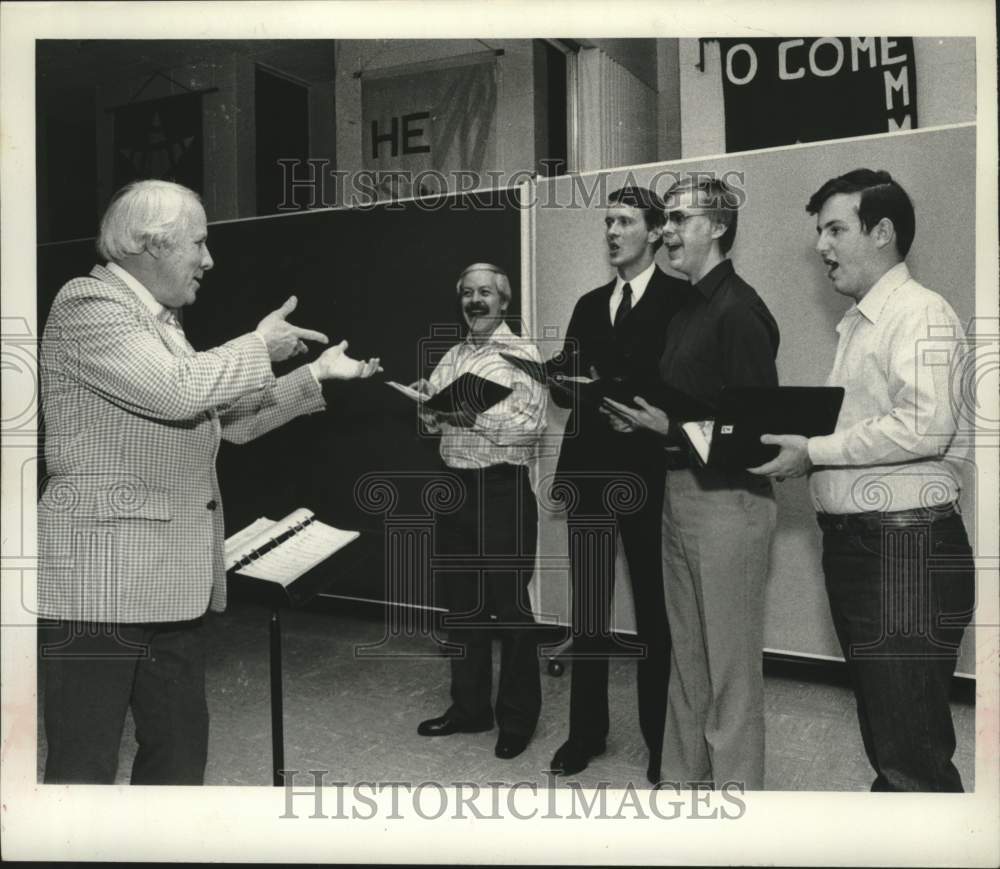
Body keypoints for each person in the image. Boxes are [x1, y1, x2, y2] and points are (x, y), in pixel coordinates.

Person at [38, 179, 381, 785]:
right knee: (83, 767)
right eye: (198, 243)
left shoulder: (159, 325)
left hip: (169, 581)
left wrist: (314, 376)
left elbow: (226, 425)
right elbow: (181, 391)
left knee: (177, 755)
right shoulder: (88, 306)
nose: (208, 260)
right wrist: (257, 344)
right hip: (100, 583)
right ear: (152, 244)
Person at [749, 169, 975, 791]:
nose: (821, 246)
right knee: (895, 740)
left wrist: (815, 450)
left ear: (882, 232)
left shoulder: (921, 312)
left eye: (834, 229)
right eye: (820, 231)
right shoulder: (863, 322)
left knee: (910, 754)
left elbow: (925, 427)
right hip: (871, 549)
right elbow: (871, 422)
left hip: (902, 553)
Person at [604, 176, 779, 790]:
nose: (668, 231)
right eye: (667, 220)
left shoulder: (741, 311)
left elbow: (755, 435)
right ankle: (681, 785)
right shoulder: (688, 308)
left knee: (730, 668)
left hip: (729, 501)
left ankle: (737, 802)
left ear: (719, 227)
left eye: (680, 220)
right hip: (679, 494)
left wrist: (668, 427)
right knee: (688, 657)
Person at [548, 186, 688, 784]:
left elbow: (687, 385)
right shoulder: (587, 304)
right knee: (589, 610)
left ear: (655, 233)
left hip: (649, 475)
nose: (612, 231)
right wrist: (558, 378)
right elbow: (567, 381)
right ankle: (586, 733)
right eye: (608, 221)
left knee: (656, 613)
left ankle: (662, 743)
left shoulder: (683, 299)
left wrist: (635, 403)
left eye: (625, 221)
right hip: (590, 475)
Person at [411, 263, 546, 760]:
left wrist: (471, 412)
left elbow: (528, 427)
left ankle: (516, 719)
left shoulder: (522, 355)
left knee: (511, 612)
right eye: (467, 293)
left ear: (504, 300)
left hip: (501, 491)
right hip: (456, 487)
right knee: (461, 606)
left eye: (484, 292)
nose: (474, 301)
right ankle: (470, 709)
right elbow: (434, 428)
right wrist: (428, 402)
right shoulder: (453, 354)